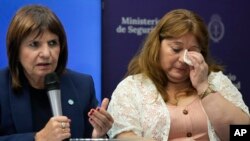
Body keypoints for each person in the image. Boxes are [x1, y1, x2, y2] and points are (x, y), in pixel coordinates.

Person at [107, 9, 250, 141]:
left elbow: (242, 133)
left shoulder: (217, 81)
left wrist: (204, 87)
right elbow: (123, 138)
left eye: (192, 51)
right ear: (157, 46)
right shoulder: (132, 88)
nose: (183, 59)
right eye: (176, 49)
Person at [0, 5, 113, 141]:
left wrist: (97, 136)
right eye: (34, 44)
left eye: (52, 43)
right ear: (16, 50)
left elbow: (88, 136)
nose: (47, 54)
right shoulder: (2, 87)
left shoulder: (82, 86)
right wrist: (38, 138)